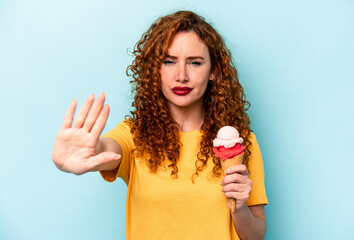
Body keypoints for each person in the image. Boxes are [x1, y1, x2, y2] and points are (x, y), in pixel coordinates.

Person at [52, 10, 268, 240]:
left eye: (195, 63)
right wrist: (86, 151)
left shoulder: (241, 142)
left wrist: (240, 207)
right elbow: (106, 149)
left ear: (213, 71)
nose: (181, 75)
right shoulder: (134, 135)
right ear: (155, 70)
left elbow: (256, 236)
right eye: (168, 62)